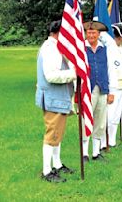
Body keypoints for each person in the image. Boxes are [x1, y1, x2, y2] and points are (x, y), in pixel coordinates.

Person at [35, 20, 76, 183]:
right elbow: (51, 75)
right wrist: (74, 74)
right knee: (52, 134)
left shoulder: (55, 47)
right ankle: (46, 171)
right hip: (53, 97)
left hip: (57, 97)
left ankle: (57, 164)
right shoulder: (51, 49)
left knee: (57, 134)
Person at [82, 21, 112, 162]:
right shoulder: (81, 48)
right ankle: (84, 153)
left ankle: (95, 152)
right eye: (89, 33)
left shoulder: (104, 48)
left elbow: (110, 70)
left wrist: (110, 91)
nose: (91, 35)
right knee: (86, 120)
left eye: (94, 33)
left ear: (99, 34)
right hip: (87, 90)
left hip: (102, 89)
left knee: (100, 122)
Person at [106, 22, 122, 147]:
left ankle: (112, 140)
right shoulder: (110, 49)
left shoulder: (118, 49)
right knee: (110, 115)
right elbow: (111, 70)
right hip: (113, 87)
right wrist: (110, 90)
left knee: (116, 115)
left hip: (121, 86)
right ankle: (105, 141)